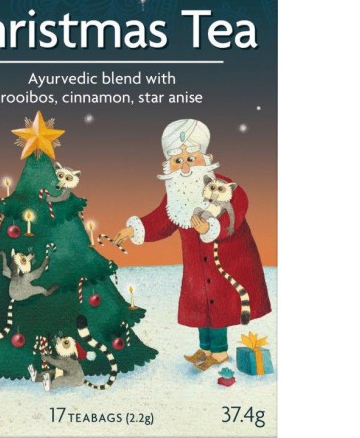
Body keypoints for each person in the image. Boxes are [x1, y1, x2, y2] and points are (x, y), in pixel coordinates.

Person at [113, 119, 271, 370]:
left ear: (207, 158)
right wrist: (134, 229)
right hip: (196, 266)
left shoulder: (222, 186)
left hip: (226, 259)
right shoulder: (176, 194)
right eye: (178, 160)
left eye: (190, 158)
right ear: (168, 164)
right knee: (200, 305)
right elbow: (161, 220)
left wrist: (211, 228)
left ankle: (219, 352)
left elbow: (237, 209)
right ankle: (205, 348)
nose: (185, 166)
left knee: (220, 306)